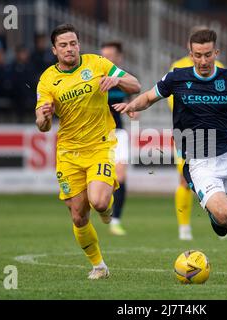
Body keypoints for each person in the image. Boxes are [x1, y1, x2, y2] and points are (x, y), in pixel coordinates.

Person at [114, 29, 227, 281]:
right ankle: (215, 217)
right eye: (198, 55)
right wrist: (130, 106)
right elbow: (148, 97)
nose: (203, 61)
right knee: (225, 216)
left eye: (208, 55)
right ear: (190, 54)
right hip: (199, 160)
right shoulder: (177, 77)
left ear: (216, 53)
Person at [35, 24, 141, 280]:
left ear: (79, 45)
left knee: (100, 201)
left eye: (73, 43)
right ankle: (99, 266)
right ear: (54, 50)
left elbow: (135, 85)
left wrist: (117, 79)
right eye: (63, 45)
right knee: (78, 216)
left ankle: (106, 210)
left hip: (100, 145)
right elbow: (42, 123)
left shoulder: (97, 63)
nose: (69, 48)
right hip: (69, 153)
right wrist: (45, 117)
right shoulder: (48, 79)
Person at [168, 25, 227, 241]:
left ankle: (221, 225)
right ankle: (184, 228)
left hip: (216, 136)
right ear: (190, 47)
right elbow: (173, 101)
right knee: (184, 180)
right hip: (189, 135)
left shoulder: (218, 67)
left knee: (220, 179)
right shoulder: (178, 68)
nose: (203, 58)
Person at [100, 41, 132, 236]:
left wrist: (132, 109)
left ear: (118, 57)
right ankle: (101, 208)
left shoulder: (124, 78)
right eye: (103, 55)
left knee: (120, 176)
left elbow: (131, 99)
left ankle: (116, 220)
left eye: (110, 55)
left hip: (118, 133)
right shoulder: (94, 76)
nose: (106, 59)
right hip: (96, 134)